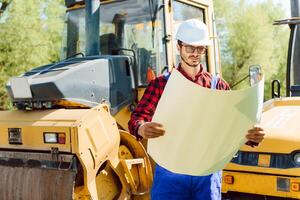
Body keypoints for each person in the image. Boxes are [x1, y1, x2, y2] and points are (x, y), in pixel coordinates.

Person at [128, 19, 265, 200]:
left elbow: (232, 125)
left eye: (200, 49)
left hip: (207, 175)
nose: (195, 54)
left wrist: (252, 136)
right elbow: (137, 118)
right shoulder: (161, 84)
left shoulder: (219, 86)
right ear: (179, 47)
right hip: (170, 174)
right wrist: (142, 128)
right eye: (190, 48)